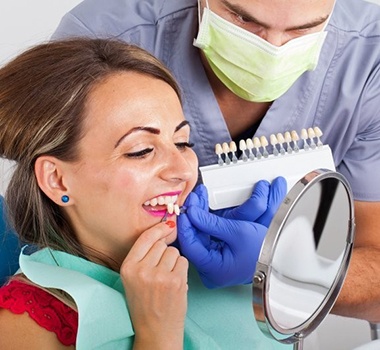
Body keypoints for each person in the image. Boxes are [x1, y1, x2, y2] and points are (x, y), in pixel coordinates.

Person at [51, 0, 380, 322]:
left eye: (303, 29)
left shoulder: (368, 52)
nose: (274, 50)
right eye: (243, 18)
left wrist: (282, 270)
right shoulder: (105, 35)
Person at [0, 38, 288, 349]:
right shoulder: (25, 325)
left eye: (182, 143)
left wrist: (275, 279)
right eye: (141, 150)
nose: (182, 170)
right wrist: (157, 332)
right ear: (57, 180)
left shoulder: (206, 263)